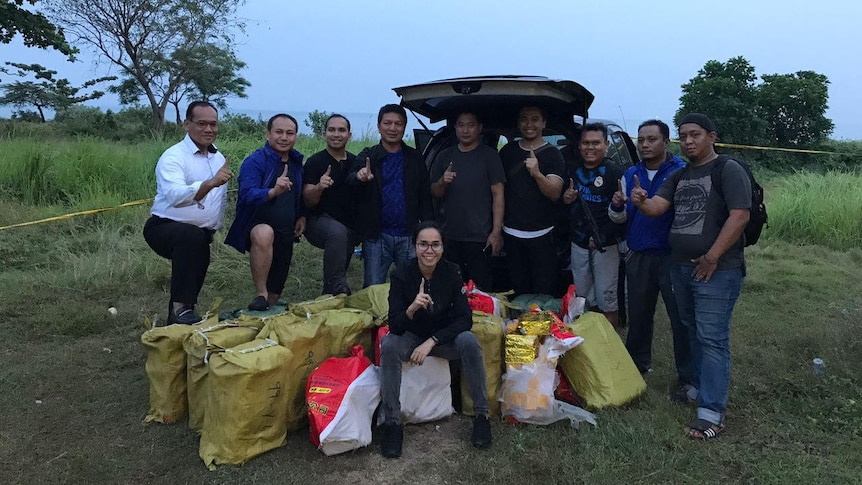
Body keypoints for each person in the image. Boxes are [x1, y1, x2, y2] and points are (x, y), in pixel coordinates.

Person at [630, 113, 751, 440]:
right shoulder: (680, 174)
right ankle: (696, 385)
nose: (688, 141)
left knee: (712, 337)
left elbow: (740, 215)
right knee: (690, 328)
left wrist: (713, 255)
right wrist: (641, 202)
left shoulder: (727, 169)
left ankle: (712, 414)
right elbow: (657, 208)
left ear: (712, 136)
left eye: (695, 134)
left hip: (718, 269)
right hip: (680, 266)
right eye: (683, 136)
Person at [380, 221, 491, 458]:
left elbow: (464, 319)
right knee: (389, 345)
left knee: (469, 341)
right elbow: (395, 324)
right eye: (423, 245)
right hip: (410, 337)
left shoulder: (452, 272)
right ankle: (392, 423)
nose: (429, 251)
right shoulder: (401, 275)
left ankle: (482, 416)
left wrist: (433, 340)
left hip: (441, 340)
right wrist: (412, 307)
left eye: (435, 245)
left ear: (442, 248)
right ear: (414, 247)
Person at [609, 120, 692, 383]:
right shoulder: (630, 173)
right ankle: (637, 366)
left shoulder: (682, 172)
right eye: (641, 140)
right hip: (639, 255)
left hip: (672, 257)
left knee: (680, 318)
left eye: (652, 139)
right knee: (639, 316)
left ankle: (688, 376)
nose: (645, 144)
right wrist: (618, 205)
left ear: (666, 142)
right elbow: (619, 220)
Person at [143, 101, 232, 325]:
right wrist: (210, 183)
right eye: (202, 124)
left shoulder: (218, 158)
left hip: (200, 235)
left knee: (196, 253)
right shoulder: (173, 157)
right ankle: (181, 309)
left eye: (213, 124)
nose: (209, 129)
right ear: (186, 124)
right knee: (191, 238)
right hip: (164, 227)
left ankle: (180, 316)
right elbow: (175, 196)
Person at [224, 114, 306, 311]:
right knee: (264, 233)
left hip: (286, 229)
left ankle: (266, 306)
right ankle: (260, 293)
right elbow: (246, 194)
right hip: (256, 223)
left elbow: (299, 194)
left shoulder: (296, 162)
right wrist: (272, 191)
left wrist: (302, 215)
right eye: (279, 132)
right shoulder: (255, 161)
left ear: (295, 136)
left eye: (289, 133)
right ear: (268, 134)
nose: (284, 137)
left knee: (275, 293)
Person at [349, 104, 433, 287]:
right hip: (377, 235)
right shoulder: (369, 154)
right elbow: (350, 179)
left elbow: (424, 194)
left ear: (404, 127)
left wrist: (427, 228)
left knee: (413, 286)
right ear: (379, 126)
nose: (392, 128)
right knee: (373, 287)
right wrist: (360, 176)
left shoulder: (414, 157)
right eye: (387, 123)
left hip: (409, 234)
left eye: (398, 124)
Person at [429, 111, 505, 290]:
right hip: (449, 236)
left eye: (470, 125)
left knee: (481, 289)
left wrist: (496, 233)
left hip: (480, 238)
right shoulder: (444, 156)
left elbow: (498, 195)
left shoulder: (490, 156)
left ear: (479, 128)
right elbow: (434, 192)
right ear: (455, 128)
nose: (465, 130)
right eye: (461, 125)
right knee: (450, 288)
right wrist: (442, 181)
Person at [498, 106, 565, 295]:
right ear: (519, 123)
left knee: (543, 291)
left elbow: (554, 193)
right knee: (518, 290)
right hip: (511, 234)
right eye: (524, 119)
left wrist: (536, 173)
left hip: (543, 235)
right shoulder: (507, 152)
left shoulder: (553, 154)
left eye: (535, 119)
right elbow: (497, 191)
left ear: (543, 123)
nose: (529, 124)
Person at [562, 123, 623, 326]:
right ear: (579, 146)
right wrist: (566, 198)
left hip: (606, 246)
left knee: (607, 297)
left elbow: (623, 216)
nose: (590, 147)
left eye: (596, 143)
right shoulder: (571, 169)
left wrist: (601, 237)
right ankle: (590, 338)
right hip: (577, 243)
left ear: (606, 144)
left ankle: (609, 344)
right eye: (586, 143)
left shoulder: (615, 172)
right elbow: (560, 203)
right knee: (584, 297)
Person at [302, 114, 362, 295]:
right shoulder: (315, 162)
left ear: (349, 135)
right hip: (317, 221)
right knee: (337, 232)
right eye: (332, 130)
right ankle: (334, 286)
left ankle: (335, 286)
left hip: (348, 223)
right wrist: (319, 187)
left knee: (350, 232)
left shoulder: (355, 162)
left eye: (341, 130)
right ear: (324, 134)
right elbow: (307, 200)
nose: (336, 134)